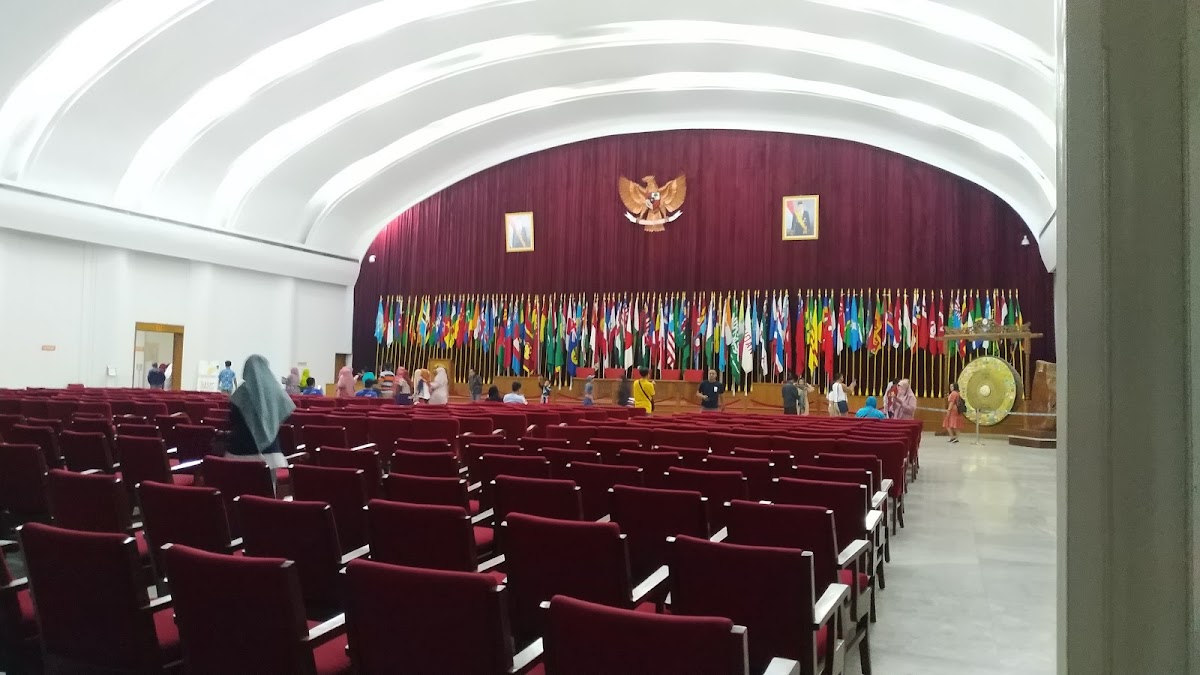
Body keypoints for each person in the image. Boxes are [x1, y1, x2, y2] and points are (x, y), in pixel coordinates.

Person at [226, 354, 293, 483]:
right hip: (271, 458)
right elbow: (286, 415)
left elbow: (232, 420)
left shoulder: (240, 393)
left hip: (236, 456)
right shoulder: (277, 392)